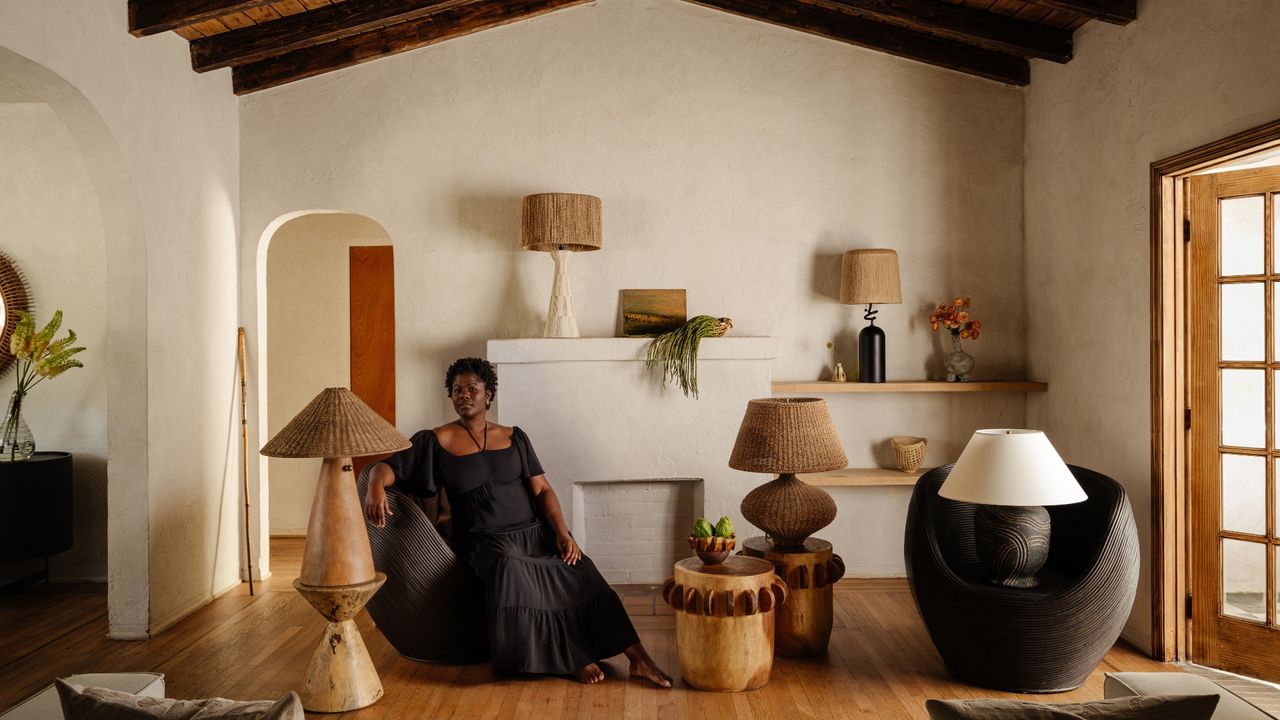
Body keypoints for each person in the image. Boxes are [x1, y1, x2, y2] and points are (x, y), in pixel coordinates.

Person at [364, 357, 672, 687]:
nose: (464, 395)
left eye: (472, 388)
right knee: (513, 568)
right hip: (484, 542)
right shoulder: (435, 440)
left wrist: (561, 532)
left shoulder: (514, 437)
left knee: (582, 570)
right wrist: (374, 485)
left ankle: (639, 659)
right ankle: (567, 657)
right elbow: (388, 467)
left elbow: (542, 489)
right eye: (457, 390)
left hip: (534, 533)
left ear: (489, 394)